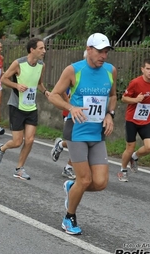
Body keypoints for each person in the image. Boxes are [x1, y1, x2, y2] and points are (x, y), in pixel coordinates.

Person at [48, 33, 117, 235]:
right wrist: (71, 107)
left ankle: (72, 186)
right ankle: (69, 217)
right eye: (99, 51)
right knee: (85, 180)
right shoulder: (73, 70)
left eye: (106, 51)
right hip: (77, 131)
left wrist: (110, 115)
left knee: (101, 183)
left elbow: (113, 95)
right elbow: (53, 95)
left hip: (97, 133)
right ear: (88, 49)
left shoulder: (110, 70)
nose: (103, 56)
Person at [0, 38, 50, 180]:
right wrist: (17, 86)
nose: (44, 51)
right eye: (41, 48)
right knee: (17, 142)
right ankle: (1, 148)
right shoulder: (19, 63)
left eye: (44, 48)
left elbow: (39, 83)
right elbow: (4, 79)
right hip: (17, 106)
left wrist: (46, 92)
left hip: (31, 106)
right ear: (32, 50)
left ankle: (19, 169)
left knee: (29, 140)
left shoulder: (41, 65)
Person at [117, 58, 150, 182]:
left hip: (145, 119)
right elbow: (124, 98)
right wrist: (135, 100)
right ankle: (123, 170)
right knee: (130, 147)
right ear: (142, 69)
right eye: (148, 69)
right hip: (132, 119)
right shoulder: (135, 83)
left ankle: (134, 157)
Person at [50, 50, 88, 180]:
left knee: (84, 142)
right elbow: (61, 92)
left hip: (88, 115)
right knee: (79, 141)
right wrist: (70, 105)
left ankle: (60, 145)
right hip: (71, 113)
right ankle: (68, 168)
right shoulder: (75, 71)